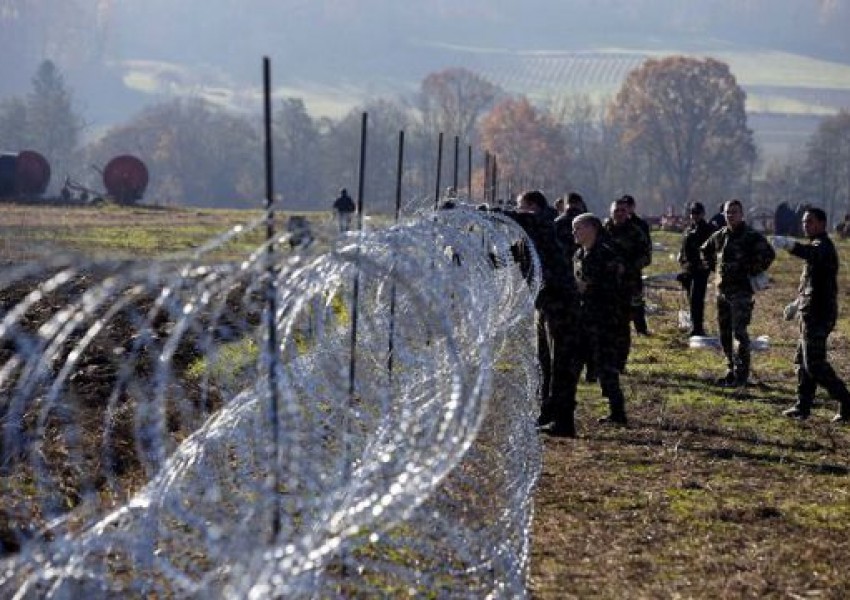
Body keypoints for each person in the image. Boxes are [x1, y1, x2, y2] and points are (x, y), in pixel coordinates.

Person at [506, 190, 580, 437]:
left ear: (533, 206)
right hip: (545, 303)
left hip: (560, 303)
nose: (518, 211)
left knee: (561, 364)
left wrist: (482, 213)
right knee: (545, 363)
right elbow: (510, 256)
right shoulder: (530, 235)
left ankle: (564, 422)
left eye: (521, 206)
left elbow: (519, 219)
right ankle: (548, 413)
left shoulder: (544, 222)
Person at [773, 208, 850, 423]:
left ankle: (846, 401)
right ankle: (802, 406)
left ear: (823, 224)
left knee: (814, 364)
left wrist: (790, 245)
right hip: (809, 312)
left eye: (811, 222)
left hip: (819, 315)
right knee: (802, 361)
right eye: (805, 222)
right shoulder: (818, 245)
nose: (806, 225)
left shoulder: (823, 246)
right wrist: (797, 304)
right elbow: (813, 284)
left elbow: (811, 254)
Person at [700, 199, 776, 387]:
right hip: (722, 292)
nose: (730, 215)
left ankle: (741, 375)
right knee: (725, 333)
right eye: (727, 212)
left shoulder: (751, 236)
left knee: (739, 333)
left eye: (734, 212)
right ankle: (731, 369)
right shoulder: (720, 236)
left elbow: (769, 254)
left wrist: (752, 269)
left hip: (741, 292)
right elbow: (704, 251)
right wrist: (715, 269)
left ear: (742, 214)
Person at [572, 212, 629, 425]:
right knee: (572, 365)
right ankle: (565, 409)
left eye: (578, 228)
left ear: (591, 229)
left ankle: (618, 412)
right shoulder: (578, 255)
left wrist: (589, 287)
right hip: (583, 318)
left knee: (606, 368)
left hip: (604, 319)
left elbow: (615, 287)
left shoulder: (606, 255)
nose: (574, 233)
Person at [604, 198, 650, 372]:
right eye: (617, 210)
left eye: (623, 210)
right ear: (611, 212)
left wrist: (628, 266)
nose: (620, 214)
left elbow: (646, 256)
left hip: (628, 284)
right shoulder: (603, 230)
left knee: (623, 324)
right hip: (606, 285)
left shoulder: (636, 232)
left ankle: (620, 362)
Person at [676, 201, 716, 337]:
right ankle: (695, 325)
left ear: (703, 214)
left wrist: (706, 264)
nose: (694, 216)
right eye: (692, 213)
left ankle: (698, 328)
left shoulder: (708, 230)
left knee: (696, 299)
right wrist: (682, 263)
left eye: (697, 213)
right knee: (691, 298)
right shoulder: (688, 229)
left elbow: (712, 250)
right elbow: (683, 250)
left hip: (700, 270)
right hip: (688, 270)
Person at [621, 194, 652, 335]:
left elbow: (646, 250)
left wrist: (634, 265)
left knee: (636, 301)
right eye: (623, 206)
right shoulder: (611, 225)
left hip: (633, 271)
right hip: (616, 272)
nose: (626, 209)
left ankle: (641, 329)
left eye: (628, 206)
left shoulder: (639, 225)